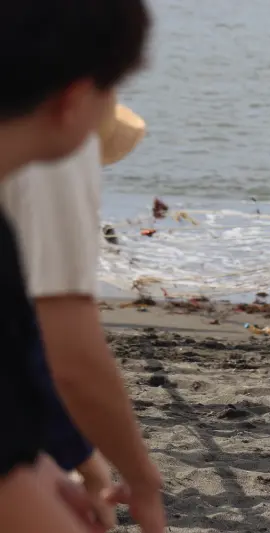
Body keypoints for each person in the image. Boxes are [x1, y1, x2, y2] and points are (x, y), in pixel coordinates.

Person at [0, 1, 158, 533]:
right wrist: (140, 479)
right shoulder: (59, 167)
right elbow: (69, 353)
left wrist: (51, 467)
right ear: (73, 100)